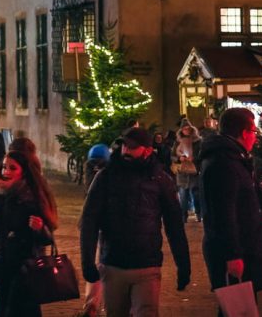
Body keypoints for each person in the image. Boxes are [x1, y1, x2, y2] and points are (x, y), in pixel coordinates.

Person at [79, 127, 191, 315]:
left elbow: (174, 225)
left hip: (147, 264)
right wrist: (87, 262)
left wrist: (184, 264)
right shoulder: (106, 177)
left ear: (147, 150)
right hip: (114, 263)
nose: (126, 151)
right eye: (124, 146)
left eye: (132, 147)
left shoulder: (160, 180)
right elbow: (89, 220)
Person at [198, 108, 262, 302]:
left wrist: (259, 190)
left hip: (241, 247)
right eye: (254, 132)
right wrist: (233, 255)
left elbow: (237, 197)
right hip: (236, 250)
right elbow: (223, 212)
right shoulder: (225, 162)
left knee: (240, 306)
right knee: (237, 306)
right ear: (244, 133)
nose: (255, 138)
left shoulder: (232, 158)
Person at [0, 151, 59, 317]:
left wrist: (39, 228)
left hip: (26, 262)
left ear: (23, 171)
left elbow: (48, 237)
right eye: (4, 167)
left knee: (19, 306)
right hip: (0, 259)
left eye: (13, 168)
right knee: (3, 302)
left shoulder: (32, 194)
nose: (6, 171)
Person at [174, 122, 202, 221]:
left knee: (196, 195)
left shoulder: (198, 141)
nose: (186, 131)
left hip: (194, 172)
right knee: (183, 196)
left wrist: (194, 159)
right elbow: (173, 155)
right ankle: (183, 216)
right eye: (184, 129)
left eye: (188, 129)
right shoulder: (178, 141)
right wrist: (179, 158)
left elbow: (202, 154)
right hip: (182, 172)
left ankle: (199, 214)